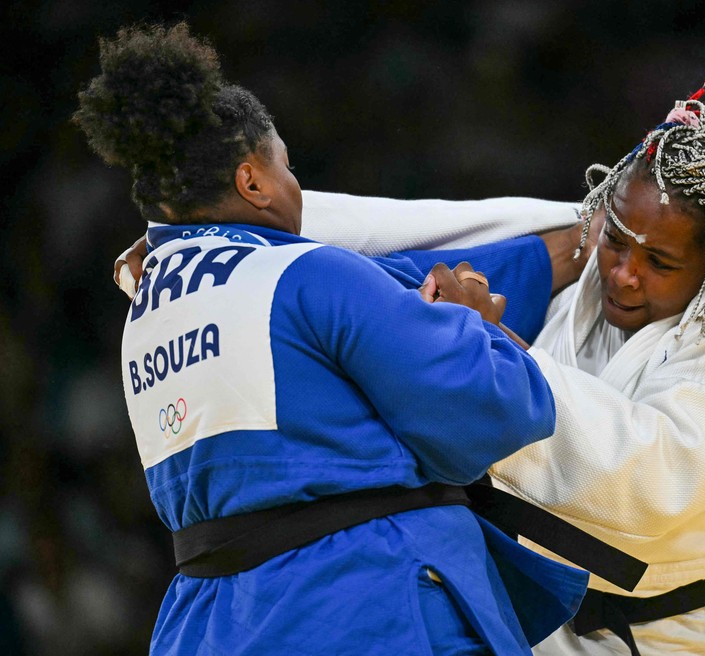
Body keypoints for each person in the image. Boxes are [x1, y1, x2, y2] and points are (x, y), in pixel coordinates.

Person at [115, 84, 705, 653]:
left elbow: (651, 488)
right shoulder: (587, 266)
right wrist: (199, 237)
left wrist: (492, 352)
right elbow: (417, 229)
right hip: (561, 633)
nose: (624, 274)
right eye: (614, 241)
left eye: (659, 262)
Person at [77, 22, 590, 655]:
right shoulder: (306, 274)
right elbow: (488, 415)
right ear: (252, 183)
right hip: (368, 604)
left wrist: (562, 250)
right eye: (287, 167)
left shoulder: (145, 308)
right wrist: (482, 333)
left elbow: (389, 285)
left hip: (217, 623)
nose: (297, 188)